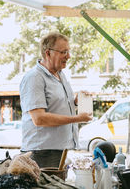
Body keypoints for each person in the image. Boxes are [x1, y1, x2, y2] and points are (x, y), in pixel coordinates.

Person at [19, 32, 92, 168]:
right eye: (64, 52)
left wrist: (76, 101)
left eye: (68, 51)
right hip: (41, 153)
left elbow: (57, 105)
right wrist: (77, 118)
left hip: (58, 150)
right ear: (48, 53)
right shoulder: (34, 78)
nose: (68, 56)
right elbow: (39, 119)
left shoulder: (60, 74)